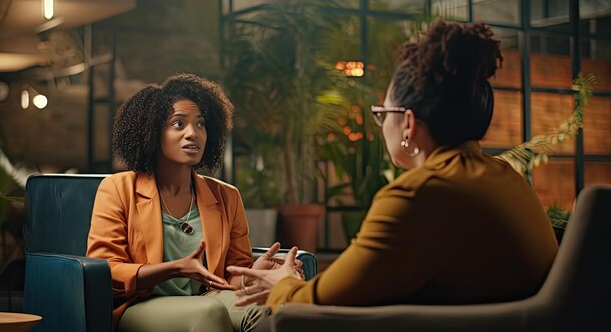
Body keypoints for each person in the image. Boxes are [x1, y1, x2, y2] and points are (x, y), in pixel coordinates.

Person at [227, 19, 559, 321]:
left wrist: (282, 283)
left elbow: (321, 304)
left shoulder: (420, 194)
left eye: (383, 113)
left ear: (408, 123)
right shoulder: (507, 178)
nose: (381, 123)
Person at [86, 73, 299, 332]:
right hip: (142, 304)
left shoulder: (226, 196)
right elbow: (106, 271)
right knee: (207, 313)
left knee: (275, 307)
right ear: (153, 132)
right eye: (178, 124)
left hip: (209, 296)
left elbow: (233, 272)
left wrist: (255, 274)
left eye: (200, 124)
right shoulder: (118, 189)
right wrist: (174, 268)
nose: (193, 134)